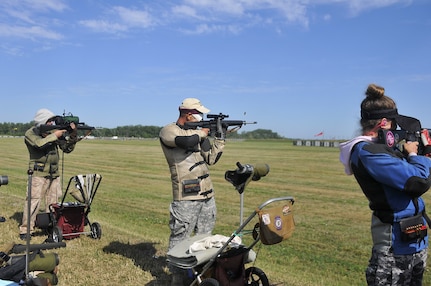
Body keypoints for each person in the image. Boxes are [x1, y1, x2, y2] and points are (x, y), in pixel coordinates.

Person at [339, 84, 431, 285]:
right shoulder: (368, 152)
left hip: (414, 241)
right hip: (394, 248)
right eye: (394, 124)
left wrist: (419, 153)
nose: (396, 130)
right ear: (383, 123)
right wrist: (416, 154)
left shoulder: (382, 150)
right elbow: (418, 182)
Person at [159, 98, 225, 286]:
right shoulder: (169, 131)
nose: (201, 117)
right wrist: (202, 133)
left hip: (207, 195)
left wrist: (220, 137)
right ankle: (178, 280)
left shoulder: (198, 134)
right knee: (181, 238)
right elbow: (186, 140)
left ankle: (199, 277)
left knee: (205, 238)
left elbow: (211, 158)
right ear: (188, 113)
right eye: (199, 113)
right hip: (186, 196)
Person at [19, 108, 78, 240]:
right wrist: (55, 135)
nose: (52, 124)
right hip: (38, 173)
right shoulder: (31, 133)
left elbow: (66, 148)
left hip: (54, 173)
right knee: (33, 201)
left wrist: (73, 135)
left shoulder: (51, 132)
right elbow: (39, 144)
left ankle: (52, 227)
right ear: (42, 121)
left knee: (54, 202)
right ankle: (26, 230)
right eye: (49, 121)